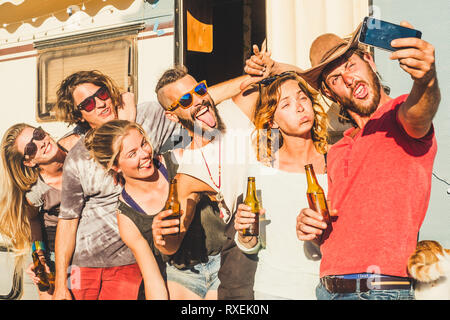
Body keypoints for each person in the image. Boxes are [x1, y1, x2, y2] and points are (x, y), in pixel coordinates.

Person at [248, 21, 439, 300]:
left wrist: (426, 79)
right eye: (335, 79)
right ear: (329, 93)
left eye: (350, 65)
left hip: (379, 289)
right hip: (326, 289)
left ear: (369, 61)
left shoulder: (400, 119)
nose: (348, 79)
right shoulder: (337, 149)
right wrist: (311, 226)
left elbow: (422, 109)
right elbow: (340, 223)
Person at [52, 70, 180, 300]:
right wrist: (61, 284)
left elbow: (195, 101)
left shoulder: (146, 118)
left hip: (127, 261)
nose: (100, 103)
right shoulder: (78, 157)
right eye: (88, 104)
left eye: (101, 94)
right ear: (79, 115)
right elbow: (68, 221)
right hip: (81, 263)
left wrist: (252, 80)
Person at [152, 66, 261, 299]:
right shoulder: (188, 171)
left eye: (200, 90)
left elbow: (264, 78)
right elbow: (173, 242)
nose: (198, 100)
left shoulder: (234, 113)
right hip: (251, 245)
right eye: (184, 100)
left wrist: (262, 66)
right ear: (171, 116)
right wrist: (162, 237)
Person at [233, 71, 329, 299]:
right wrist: (245, 236)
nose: (299, 107)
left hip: (327, 288)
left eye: (302, 98)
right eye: (286, 104)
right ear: (272, 120)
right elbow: (252, 245)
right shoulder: (260, 171)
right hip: (274, 289)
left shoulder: (335, 161)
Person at [0, 124, 76, 300]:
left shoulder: (75, 146)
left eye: (38, 134)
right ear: (29, 161)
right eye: (30, 147)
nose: (41, 143)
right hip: (54, 251)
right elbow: (33, 222)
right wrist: (39, 258)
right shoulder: (36, 192)